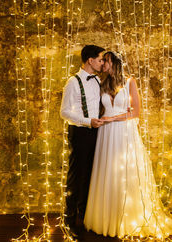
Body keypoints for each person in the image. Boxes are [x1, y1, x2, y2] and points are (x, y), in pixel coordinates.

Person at [84, 51, 172, 239]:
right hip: (106, 134)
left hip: (124, 132)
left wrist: (113, 117)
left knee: (125, 174)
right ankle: (107, 218)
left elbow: (136, 112)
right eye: (102, 61)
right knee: (109, 172)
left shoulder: (130, 82)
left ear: (114, 62)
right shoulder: (102, 84)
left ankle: (128, 218)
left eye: (105, 61)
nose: (103, 64)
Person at [60, 45, 106, 238]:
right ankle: (68, 222)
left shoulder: (97, 80)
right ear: (90, 60)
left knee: (89, 175)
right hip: (79, 132)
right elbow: (64, 112)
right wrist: (88, 121)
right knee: (75, 177)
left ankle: (83, 216)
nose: (102, 63)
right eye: (100, 59)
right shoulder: (73, 82)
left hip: (96, 133)